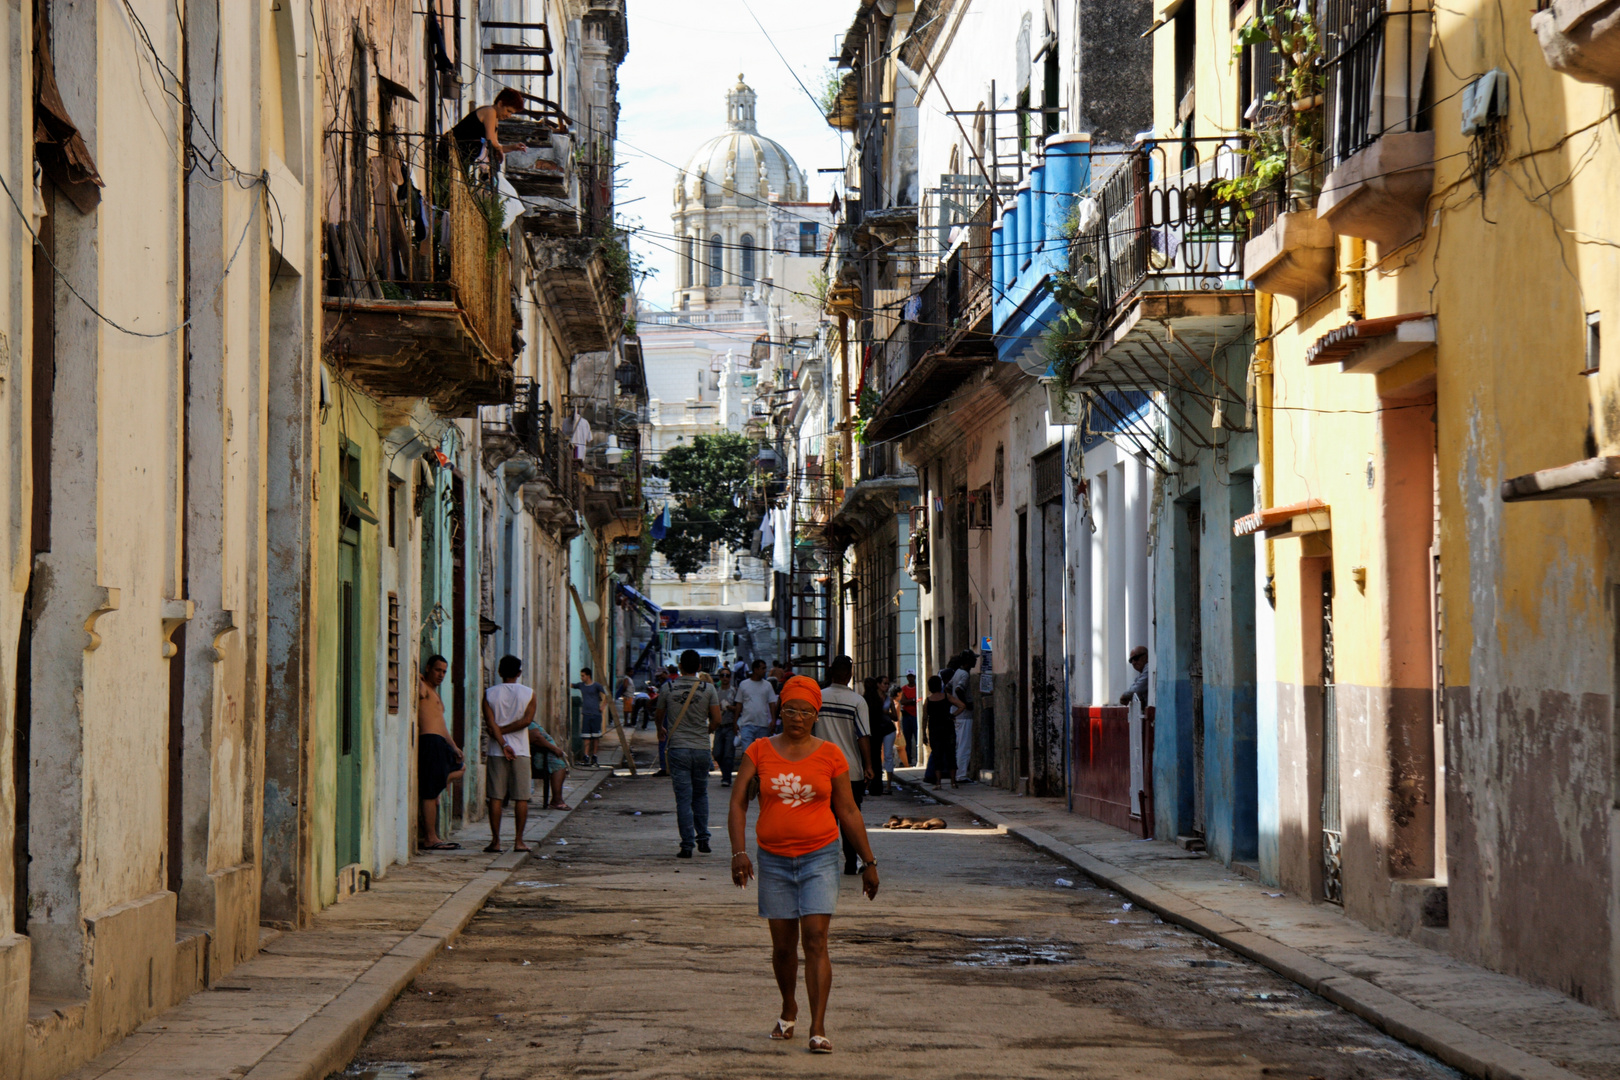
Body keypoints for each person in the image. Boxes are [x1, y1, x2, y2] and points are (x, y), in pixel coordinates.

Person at [728, 675, 879, 1054]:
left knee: (815, 938)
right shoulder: (759, 751)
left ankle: (818, 1025)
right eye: (791, 710)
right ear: (781, 712)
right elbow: (738, 803)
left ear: (816, 715)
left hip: (820, 856)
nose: (797, 717)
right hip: (774, 859)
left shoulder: (830, 754)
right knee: (783, 947)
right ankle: (788, 1007)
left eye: (805, 711)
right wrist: (738, 852)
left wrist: (869, 860)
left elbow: (847, 809)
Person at [655, 649, 723, 857]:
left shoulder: (667, 687)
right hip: (701, 748)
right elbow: (717, 720)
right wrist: (707, 731)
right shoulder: (708, 688)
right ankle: (703, 839)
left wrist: (661, 729)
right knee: (701, 794)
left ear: (680, 666)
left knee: (683, 798)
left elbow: (659, 715)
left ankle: (687, 845)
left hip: (678, 748)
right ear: (699, 668)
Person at [814, 656, 872, 876]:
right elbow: (863, 736)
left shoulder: (818, 698)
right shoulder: (857, 701)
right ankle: (850, 862)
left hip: (820, 771)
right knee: (850, 818)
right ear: (850, 675)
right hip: (850, 771)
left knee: (823, 818)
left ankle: (823, 863)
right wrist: (868, 765)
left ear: (830, 673)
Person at [483, 655, 537, 853]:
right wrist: (507, 737)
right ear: (519, 673)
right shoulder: (529, 693)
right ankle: (519, 841)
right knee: (521, 798)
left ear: (499, 671)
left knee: (495, 797)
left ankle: (496, 842)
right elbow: (526, 721)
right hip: (521, 751)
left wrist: (502, 740)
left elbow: (491, 724)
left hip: (497, 751)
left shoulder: (489, 694)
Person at [418, 655, 466, 850]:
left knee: (461, 767)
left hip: (440, 742)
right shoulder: (424, 688)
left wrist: (454, 746)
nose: (441, 675)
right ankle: (431, 837)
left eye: (444, 671)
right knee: (430, 792)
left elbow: (442, 725)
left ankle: (439, 786)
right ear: (428, 668)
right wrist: (417, 676)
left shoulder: (436, 694)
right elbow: (417, 689)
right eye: (438, 670)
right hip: (429, 741)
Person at [447, 87, 528, 168]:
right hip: (452, 150)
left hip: (460, 156)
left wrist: (512, 147)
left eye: (512, 113)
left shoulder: (495, 119)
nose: (509, 116)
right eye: (508, 111)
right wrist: (499, 148)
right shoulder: (490, 111)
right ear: (500, 104)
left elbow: (495, 145)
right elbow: (491, 140)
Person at [922, 674, 959, 789]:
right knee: (951, 755)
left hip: (934, 730)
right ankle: (953, 782)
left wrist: (923, 733)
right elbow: (961, 705)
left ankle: (938, 783)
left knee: (937, 756)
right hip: (948, 728)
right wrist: (952, 715)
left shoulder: (928, 700)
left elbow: (924, 718)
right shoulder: (947, 697)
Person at [734, 659, 779, 754]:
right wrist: (735, 722)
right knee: (747, 753)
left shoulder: (767, 686)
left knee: (761, 754)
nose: (765, 671)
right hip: (746, 724)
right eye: (763, 668)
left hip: (762, 725)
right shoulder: (744, 684)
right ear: (755, 669)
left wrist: (773, 720)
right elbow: (739, 704)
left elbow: (772, 704)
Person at [948, 651, 975, 783]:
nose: (975, 662)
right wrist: (965, 704)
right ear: (968, 661)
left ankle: (958, 774)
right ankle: (961, 775)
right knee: (964, 746)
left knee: (959, 745)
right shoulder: (964, 674)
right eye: (973, 659)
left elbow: (948, 687)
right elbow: (959, 689)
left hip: (957, 714)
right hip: (964, 715)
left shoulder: (957, 672)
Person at [572, 667, 607, 768]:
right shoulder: (581, 685)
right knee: (586, 736)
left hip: (596, 714)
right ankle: (586, 756)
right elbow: (572, 685)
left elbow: (608, 694)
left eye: (583, 676)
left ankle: (594, 756)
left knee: (595, 736)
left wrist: (603, 706)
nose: (581, 677)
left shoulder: (596, 686)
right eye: (581, 676)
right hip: (586, 714)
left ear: (588, 676)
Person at [861, 677, 888, 796]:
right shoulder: (878, 700)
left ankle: (864, 785)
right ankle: (877, 786)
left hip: (866, 732)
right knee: (876, 759)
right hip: (877, 732)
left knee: (864, 758)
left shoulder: (863, 700)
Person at [714, 667, 739, 787]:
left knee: (728, 754)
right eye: (723, 675)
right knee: (717, 753)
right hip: (719, 725)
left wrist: (729, 707)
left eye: (727, 675)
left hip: (729, 725)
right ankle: (725, 772)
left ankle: (726, 778)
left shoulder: (734, 691)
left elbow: (739, 708)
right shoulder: (716, 692)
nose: (725, 678)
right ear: (719, 677)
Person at [885, 683, 906, 779]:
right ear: (898, 694)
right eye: (901, 694)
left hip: (888, 728)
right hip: (894, 728)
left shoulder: (888, 702)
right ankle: (907, 766)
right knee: (901, 747)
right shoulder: (896, 704)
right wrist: (898, 730)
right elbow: (896, 718)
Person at [900, 671, 918, 769]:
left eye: (912, 676)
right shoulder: (904, 689)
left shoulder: (918, 687)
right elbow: (903, 701)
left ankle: (918, 757)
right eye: (909, 676)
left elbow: (919, 699)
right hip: (907, 715)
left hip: (915, 715)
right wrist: (913, 700)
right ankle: (908, 758)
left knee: (916, 736)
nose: (911, 678)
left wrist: (909, 700)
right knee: (907, 738)